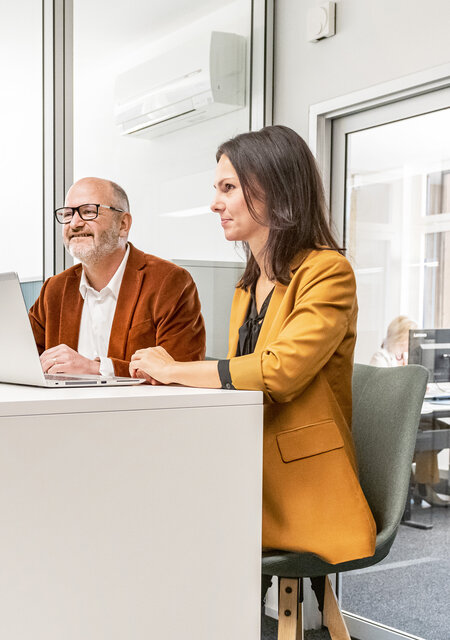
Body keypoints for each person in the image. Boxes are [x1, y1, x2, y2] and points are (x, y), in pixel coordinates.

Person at [129, 125, 376, 565]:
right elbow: (240, 378)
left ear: (275, 191)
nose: (215, 203)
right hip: (246, 463)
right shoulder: (248, 285)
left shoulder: (328, 271)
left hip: (300, 485)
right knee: (143, 507)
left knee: (167, 532)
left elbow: (277, 372)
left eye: (229, 188)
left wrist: (174, 370)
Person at [0, 177, 206, 377]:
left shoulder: (169, 282)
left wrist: (95, 368)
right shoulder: (56, 288)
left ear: (123, 224)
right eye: (67, 213)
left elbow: (182, 372)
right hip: (63, 423)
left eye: (88, 211)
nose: (75, 223)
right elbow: (13, 347)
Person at [370, 316, 448, 506]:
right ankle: (424, 486)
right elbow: (382, 391)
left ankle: (419, 482)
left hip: (408, 416)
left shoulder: (409, 358)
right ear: (399, 337)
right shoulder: (381, 357)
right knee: (429, 431)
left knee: (439, 429)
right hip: (389, 423)